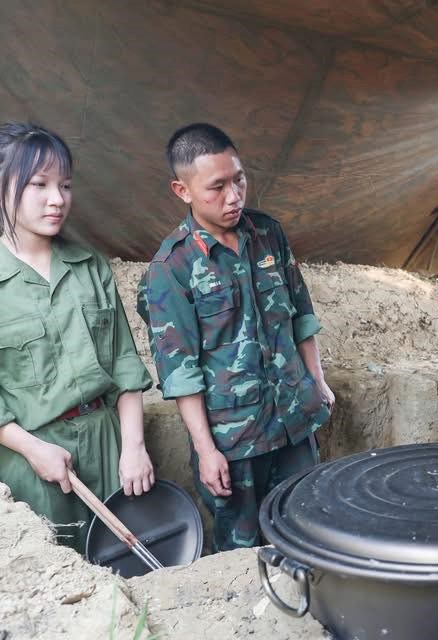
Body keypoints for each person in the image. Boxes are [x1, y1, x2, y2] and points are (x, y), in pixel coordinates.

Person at [0, 123, 155, 552]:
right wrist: (35, 450)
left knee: (132, 565)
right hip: (33, 463)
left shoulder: (90, 267)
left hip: (110, 445)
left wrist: (134, 448)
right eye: (39, 184)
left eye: (65, 185)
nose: (57, 199)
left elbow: (125, 368)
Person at [137, 123, 334, 552]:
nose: (234, 196)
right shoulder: (171, 268)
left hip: (295, 420)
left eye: (239, 179)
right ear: (182, 190)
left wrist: (317, 381)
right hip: (234, 443)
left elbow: (301, 315)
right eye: (217, 187)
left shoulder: (268, 234)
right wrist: (206, 451)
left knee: (308, 531)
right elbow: (180, 373)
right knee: (242, 551)